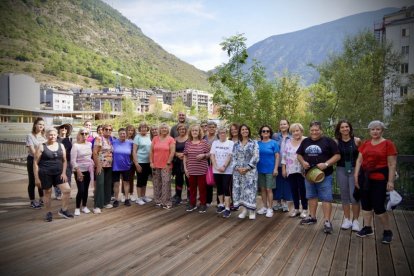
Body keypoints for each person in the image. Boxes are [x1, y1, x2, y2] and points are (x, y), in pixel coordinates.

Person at [354, 120, 397, 244]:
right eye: (372, 129)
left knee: (378, 207)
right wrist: (356, 175)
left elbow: (392, 164)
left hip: (379, 179)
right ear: (369, 131)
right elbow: (359, 161)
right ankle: (367, 228)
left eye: (378, 129)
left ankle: (387, 231)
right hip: (365, 178)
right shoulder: (366, 143)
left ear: (382, 131)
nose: (375, 131)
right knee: (366, 204)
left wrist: (390, 181)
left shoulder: (388, 144)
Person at [297, 121, 340, 234]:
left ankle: (327, 221)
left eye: (317, 130)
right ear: (309, 131)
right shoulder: (305, 141)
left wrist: (326, 164)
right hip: (309, 175)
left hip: (324, 175)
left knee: (326, 198)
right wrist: (303, 162)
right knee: (311, 196)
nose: (314, 132)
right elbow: (299, 154)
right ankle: (312, 217)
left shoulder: (328, 141)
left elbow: (337, 155)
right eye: (312, 130)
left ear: (321, 130)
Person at [33, 128, 73, 221]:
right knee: (47, 193)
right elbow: (35, 162)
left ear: (57, 135)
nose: (52, 136)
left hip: (59, 173)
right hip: (45, 173)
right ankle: (48, 213)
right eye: (50, 135)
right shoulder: (41, 146)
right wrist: (36, 178)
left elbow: (64, 160)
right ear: (46, 136)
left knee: (67, 190)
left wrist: (63, 172)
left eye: (54, 135)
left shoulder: (61, 145)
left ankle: (64, 210)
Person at [334, 120, 361, 231]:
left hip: (355, 170)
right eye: (342, 127)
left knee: (354, 196)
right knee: (344, 195)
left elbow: (362, 157)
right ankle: (347, 219)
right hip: (341, 169)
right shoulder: (335, 142)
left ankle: (355, 221)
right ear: (339, 130)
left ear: (350, 128)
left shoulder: (357, 141)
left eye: (347, 127)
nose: (345, 129)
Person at [231, 124, 260, 220]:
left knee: (250, 190)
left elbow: (256, 156)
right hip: (238, 172)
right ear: (240, 132)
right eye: (242, 129)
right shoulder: (236, 144)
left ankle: (252, 210)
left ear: (249, 131)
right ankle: (244, 210)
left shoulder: (254, 143)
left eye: (246, 129)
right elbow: (233, 157)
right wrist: (238, 168)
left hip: (250, 171)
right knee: (241, 190)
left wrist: (247, 168)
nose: (244, 131)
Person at [281, 123, 308, 218]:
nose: (295, 133)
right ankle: (296, 209)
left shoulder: (306, 140)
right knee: (293, 190)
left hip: (302, 170)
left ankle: (305, 209)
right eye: (293, 131)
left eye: (297, 130)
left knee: (303, 190)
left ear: (301, 131)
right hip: (290, 169)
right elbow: (284, 156)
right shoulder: (288, 141)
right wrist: (284, 169)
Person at [184, 124, 210, 213]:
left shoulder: (204, 143)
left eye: (196, 130)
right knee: (192, 188)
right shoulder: (187, 143)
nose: (194, 132)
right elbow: (185, 157)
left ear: (199, 132)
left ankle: (203, 204)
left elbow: (210, 154)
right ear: (190, 132)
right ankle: (192, 204)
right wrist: (185, 169)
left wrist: (204, 155)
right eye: (193, 130)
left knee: (202, 188)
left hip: (202, 170)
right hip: (191, 170)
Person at [150, 123, 175, 209]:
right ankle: (158, 201)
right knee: (157, 183)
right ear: (159, 129)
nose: (164, 129)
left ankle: (166, 201)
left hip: (166, 165)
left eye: (166, 128)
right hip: (155, 165)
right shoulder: (155, 138)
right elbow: (151, 151)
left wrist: (168, 163)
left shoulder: (171, 139)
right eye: (162, 128)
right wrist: (151, 162)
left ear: (168, 130)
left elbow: (172, 152)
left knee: (166, 183)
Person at [210, 126, 234, 218]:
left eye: (224, 132)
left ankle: (227, 208)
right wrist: (215, 166)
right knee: (219, 187)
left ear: (226, 133)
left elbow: (229, 155)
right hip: (216, 169)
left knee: (226, 188)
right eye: (220, 133)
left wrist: (224, 166)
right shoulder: (215, 143)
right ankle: (221, 204)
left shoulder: (230, 143)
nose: (222, 134)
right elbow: (212, 155)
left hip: (227, 170)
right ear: (218, 134)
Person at [256, 125, 279, 218]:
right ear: (261, 133)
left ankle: (270, 208)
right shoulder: (257, 143)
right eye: (263, 131)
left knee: (269, 189)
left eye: (267, 131)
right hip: (260, 169)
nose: (265, 133)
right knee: (262, 189)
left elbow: (277, 156)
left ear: (270, 133)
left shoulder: (274, 143)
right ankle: (264, 207)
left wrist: (276, 168)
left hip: (270, 169)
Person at [71, 128, 94, 216]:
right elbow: (73, 160)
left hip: (88, 169)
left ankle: (84, 206)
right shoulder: (75, 145)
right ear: (79, 134)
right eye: (82, 133)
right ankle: (77, 208)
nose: (84, 135)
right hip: (79, 170)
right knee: (81, 190)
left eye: (86, 133)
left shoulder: (89, 144)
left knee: (86, 190)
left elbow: (90, 156)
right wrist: (78, 171)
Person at [272, 119, 293, 212]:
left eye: (284, 124)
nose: (283, 125)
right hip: (276, 163)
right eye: (281, 124)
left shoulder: (292, 137)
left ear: (288, 125)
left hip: (288, 164)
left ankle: (285, 202)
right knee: (277, 183)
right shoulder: (275, 136)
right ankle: (278, 202)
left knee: (286, 183)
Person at [92, 124, 114, 213]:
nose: (108, 131)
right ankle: (97, 205)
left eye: (110, 129)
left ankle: (106, 201)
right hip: (101, 165)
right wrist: (98, 165)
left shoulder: (110, 140)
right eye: (106, 129)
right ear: (103, 130)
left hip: (109, 165)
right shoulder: (99, 139)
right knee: (100, 184)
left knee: (108, 184)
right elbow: (94, 152)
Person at [26, 117, 46, 209]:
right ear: (35, 125)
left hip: (42, 161)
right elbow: (33, 152)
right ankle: (32, 201)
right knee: (32, 181)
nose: (41, 126)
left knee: (41, 180)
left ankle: (41, 198)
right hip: (32, 160)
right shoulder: (30, 136)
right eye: (39, 124)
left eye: (43, 124)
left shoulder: (44, 136)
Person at [112, 128, 134, 207]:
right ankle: (116, 199)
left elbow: (134, 152)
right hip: (116, 166)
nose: (122, 135)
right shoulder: (114, 142)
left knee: (126, 182)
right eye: (121, 133)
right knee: (116, 183)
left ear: (126, 134)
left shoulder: (130, 143)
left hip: (126, 166)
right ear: (118, 134)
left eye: (124, 133)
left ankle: (127, 199)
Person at [133, 122, 153, 205]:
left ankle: (143, 196)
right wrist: (136, 163)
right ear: (139, 129)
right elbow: (134, 151)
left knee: (145, 180)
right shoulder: (137, 137)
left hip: (148, 161)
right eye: (142, 127)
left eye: (145, 127)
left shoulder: (148, 137)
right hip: (140, 161)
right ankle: (139, 198)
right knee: (140, 180)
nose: (143, 129)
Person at [172, 123, 189, 205]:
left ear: (186, 130)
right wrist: (177, 154)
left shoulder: (189, 139)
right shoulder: (175, 139)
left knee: (188, 180)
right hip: (178, 162)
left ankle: (190, 197)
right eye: (180, 129)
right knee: (178, 180)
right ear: (177, 130)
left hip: (188, 162)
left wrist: (184, 155)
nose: (182, 130)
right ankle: (178, 196)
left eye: (183, 129)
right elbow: (172, 150)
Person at [56, 123, 73, 199]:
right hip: (58, 161)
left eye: (66, 128)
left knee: (68, 177)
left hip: (68, 161)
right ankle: (58, 194)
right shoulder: (56, 138)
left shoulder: (69, 139)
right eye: (62, 128)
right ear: (59, 129)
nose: (64, 129)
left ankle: (67, 193)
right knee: (58, 177)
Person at [203, 121, 218, 207]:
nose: (211, 128)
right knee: (207, 181)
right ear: (207, 128)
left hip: (215, 162)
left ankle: (220, 202)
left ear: (216, 128)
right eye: (210, 127)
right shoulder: (204, 137)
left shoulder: (218, 137)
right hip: (205, 162)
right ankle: (208, 200)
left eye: (213, 127)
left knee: (216, 181)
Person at [124, 124, 137, 202]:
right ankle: (124, 194)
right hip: (124, 161)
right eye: (129, 130)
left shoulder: (135, 140)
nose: (130, 132)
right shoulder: (123, 139)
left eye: (132, 130)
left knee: (131, 178)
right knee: (124, 179)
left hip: (132, 161)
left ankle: (131, 193)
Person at [229, 123, 240, 211]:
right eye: (232, 130)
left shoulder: (242, 140)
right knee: (232, 185)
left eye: (235, 129)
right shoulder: (228, 140)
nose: (233, 131)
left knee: (240, 185)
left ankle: (241, 203)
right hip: (230, 167)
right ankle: (234, 202)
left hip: (241, 167)